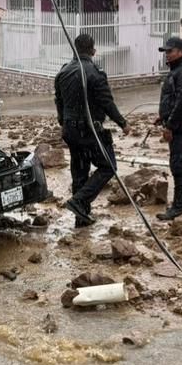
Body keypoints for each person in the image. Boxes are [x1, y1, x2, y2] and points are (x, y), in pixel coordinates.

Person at [55, 34, 130, 227]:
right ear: (93, 51)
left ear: (74, 50)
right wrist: (122, 123)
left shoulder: (63, 72)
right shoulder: (95, 72)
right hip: (89, 130)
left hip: (70, 131)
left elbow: (59, 101)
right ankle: (79, 201)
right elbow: (106, 102)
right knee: (108, 166)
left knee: (79, 172)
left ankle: (81, 218)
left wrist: (64, 122)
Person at [155, 36, 182, 220]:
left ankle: (180, 205)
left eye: (170, 51)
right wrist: (163, 116)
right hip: (179, 123)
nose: (167, 55)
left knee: (179, 165)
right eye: (166, 52)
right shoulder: (178, 70)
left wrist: (170, 125)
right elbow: (174, 98)